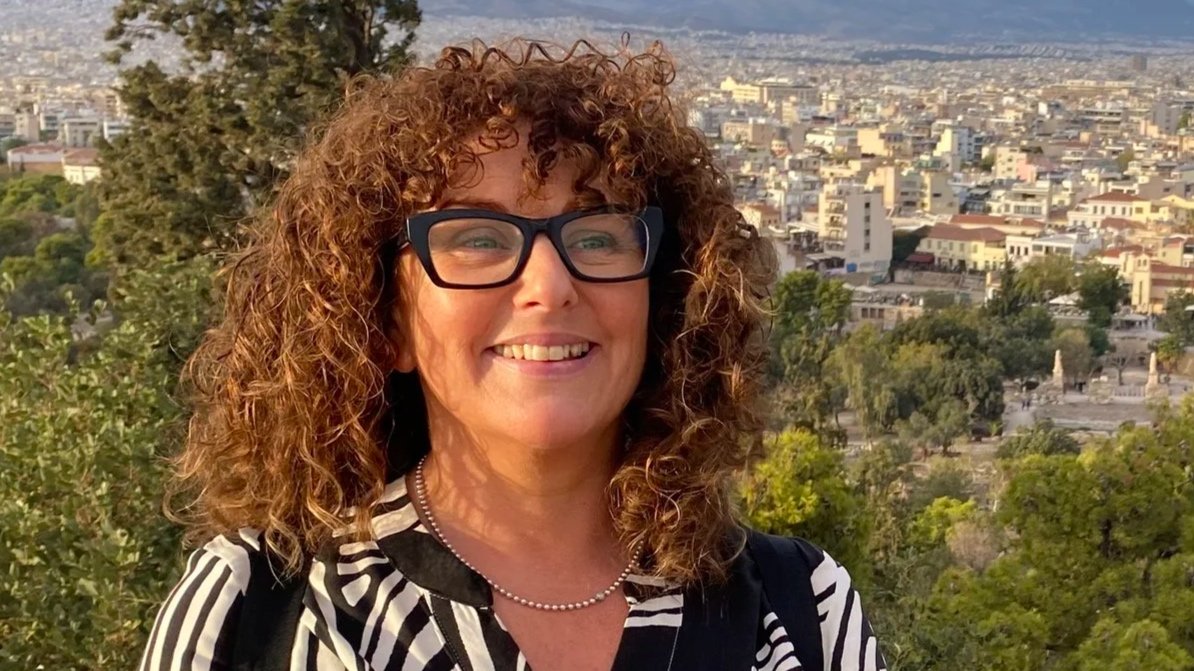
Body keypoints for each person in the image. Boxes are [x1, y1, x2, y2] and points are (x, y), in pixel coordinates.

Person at [139, 39, 886, 671]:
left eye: (597, 235)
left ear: (663, 300)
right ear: (383, 320)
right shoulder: (259, 612)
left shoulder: (801, 614)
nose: (549, 287)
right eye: (477, 238)